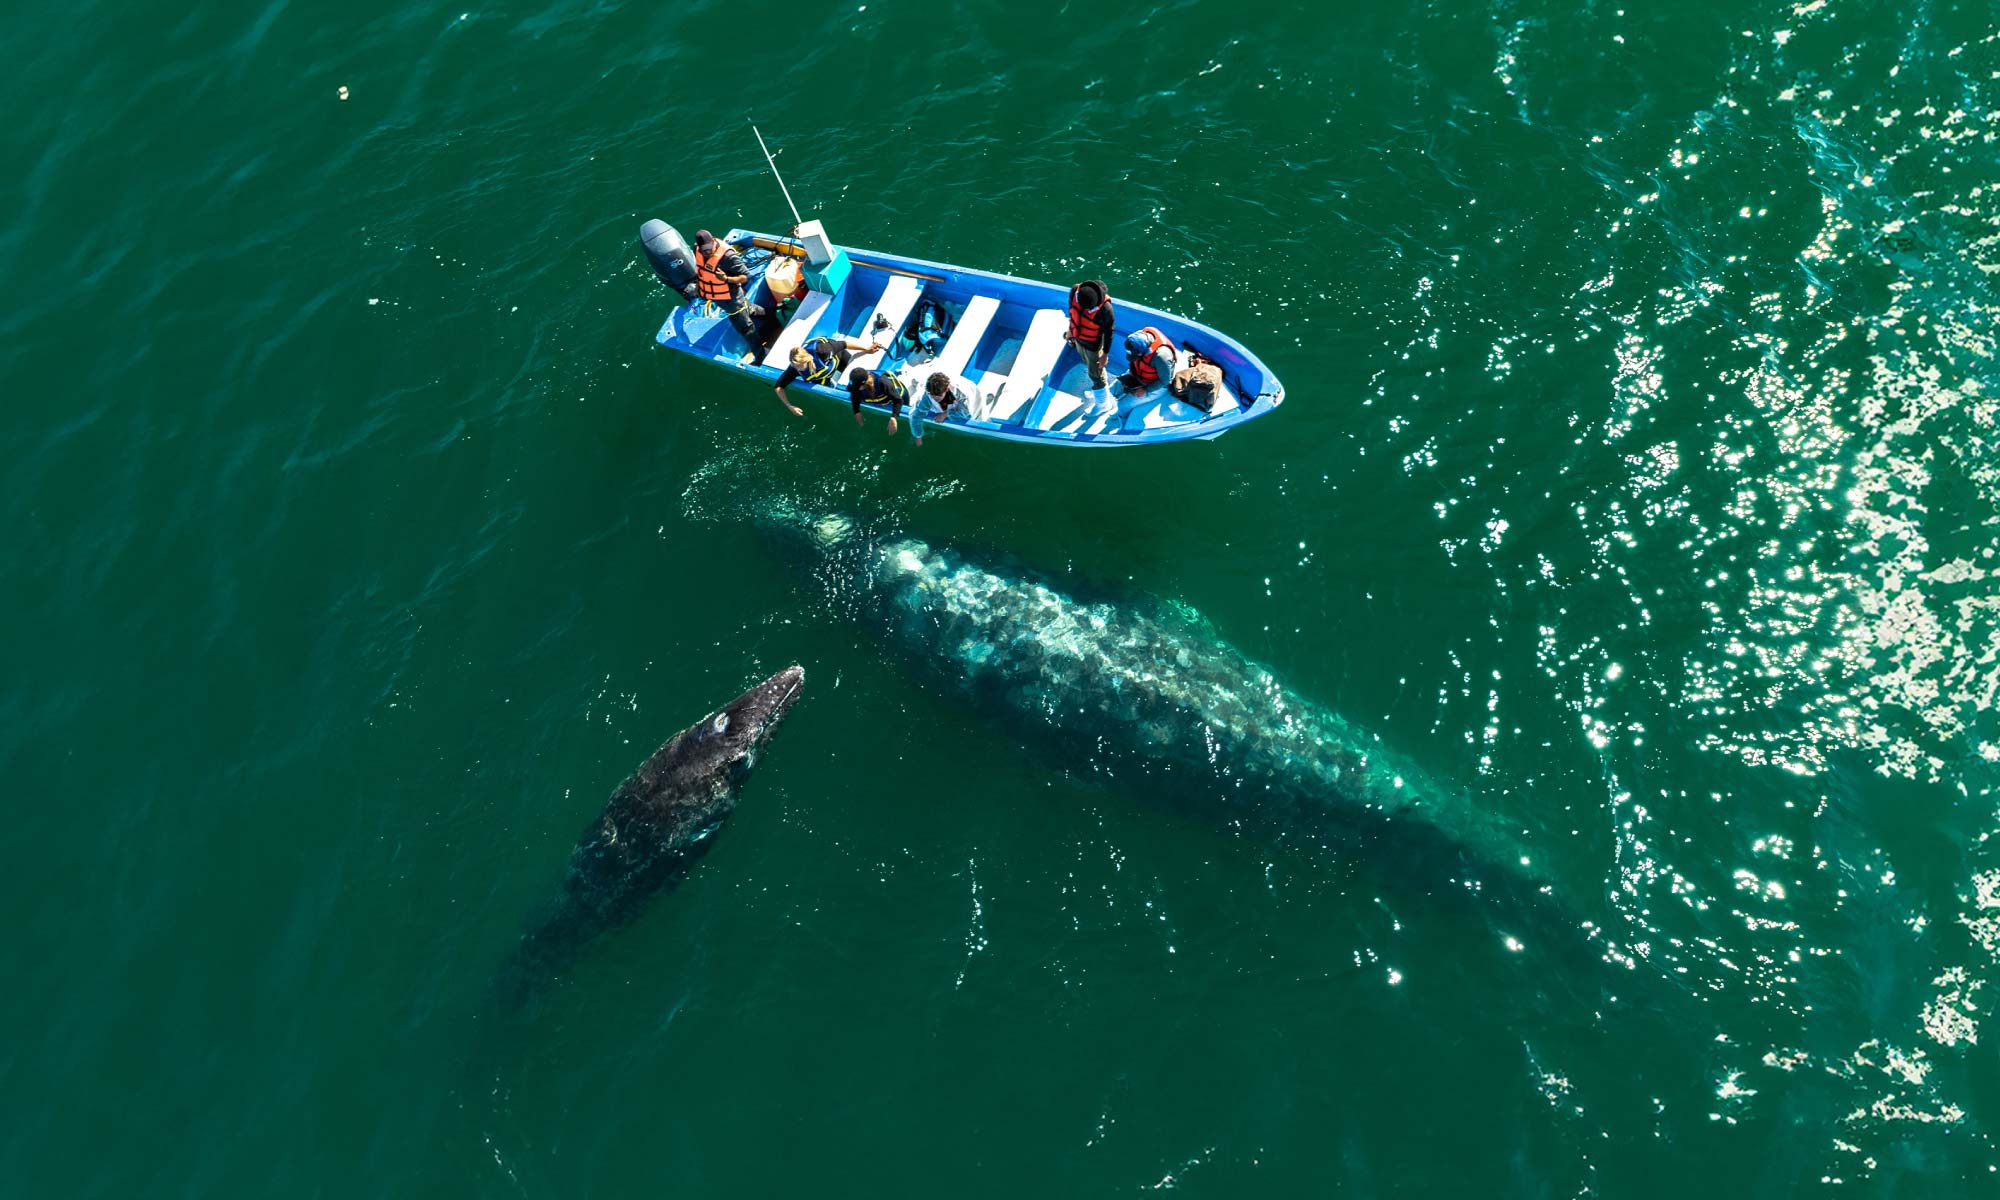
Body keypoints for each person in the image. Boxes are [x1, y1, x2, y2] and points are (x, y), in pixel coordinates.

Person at [692, 229, 773, 358]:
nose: (707, 252)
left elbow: (745, 277)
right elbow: (700, 270)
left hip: (731, 299)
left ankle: (761, 354)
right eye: (704, 250)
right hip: (716, 296)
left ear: (714, 242)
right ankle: (770, 314)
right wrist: (698, 286)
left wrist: (726, 279)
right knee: (747, 307)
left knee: (746, 328)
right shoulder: (697, 250)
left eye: (709, 249)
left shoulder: (728, 257)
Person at [770, 334, 883, 416]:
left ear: (807, 360)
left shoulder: (823, 350)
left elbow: (844, 344)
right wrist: (789, 406)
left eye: (799, 366)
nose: (796, 369)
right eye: (794, 366)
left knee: (856, 379)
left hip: (839, 359)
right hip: (823, 376)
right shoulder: (794, 369)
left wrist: (866, 349)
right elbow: (778, 387)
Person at [1064, 279, 1115, 391]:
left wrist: (1105, 355)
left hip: (1093, 346)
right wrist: (1070, 330)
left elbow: (1109, 333)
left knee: (1095, 372)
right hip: (1078, 338)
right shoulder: (1074, 291)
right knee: (1084, 359)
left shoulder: (1106, 309)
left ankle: (1102, 398)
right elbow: (1072, 311)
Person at [911, 371, 972, 445]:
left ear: (947, 389)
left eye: (939, 396)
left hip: (970, 390)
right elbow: (916, 417)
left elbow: (966, 412)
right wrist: (918, 436)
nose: (935, 398)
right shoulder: (927, 395)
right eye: (933, 395)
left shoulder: (961, 394)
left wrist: (945, 414)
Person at [847, 365, 911, 435]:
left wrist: (894, 417)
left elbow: (898, 400)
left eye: (857, 387)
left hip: (898, 397)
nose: (855, 389)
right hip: (879, 399)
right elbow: (854, 395)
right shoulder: (855, 384)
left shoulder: (882, 382)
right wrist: (857, 412)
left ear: (864, 383)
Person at [1118, 326, 1178, 396]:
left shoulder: (1161, 356)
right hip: (1137, 376)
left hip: (1154, 385)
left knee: (1122, 405)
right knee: (1113, 389)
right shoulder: (1135, 339)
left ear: (1143, 352)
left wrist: (1145, 390)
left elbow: (1165, 381)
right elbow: (1134, 361)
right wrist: (1131, 373)